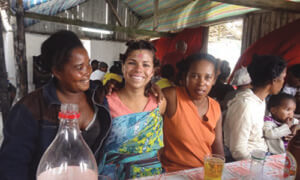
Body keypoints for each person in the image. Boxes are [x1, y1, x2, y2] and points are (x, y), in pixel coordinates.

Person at [0, 30, 112, 180]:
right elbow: (12, 167)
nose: (88, 72)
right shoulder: (29, 109)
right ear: (57, 71)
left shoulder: (97, 97)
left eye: (88, 64)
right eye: (79, 67)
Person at [99, 40, 166, 179]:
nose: (138, 69)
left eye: (146, 65)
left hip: (152, 175)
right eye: (132, 63)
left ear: (153, 71)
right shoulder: (107, 102)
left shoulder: (160, 102)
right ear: (123, 67)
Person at [160, 53, 224, 172]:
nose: (201, 83)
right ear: (186, 77)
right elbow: (143, 105)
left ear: (214, 80)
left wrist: (220, 171)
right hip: (174, 172)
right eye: (195, 76)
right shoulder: (172, 96)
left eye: (207, 77)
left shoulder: (215, 107)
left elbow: (218, 144)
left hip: (205, 172)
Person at [224, 55, 287, 161]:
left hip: (261, 154)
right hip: (249, 160)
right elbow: (238, 150)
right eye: (283, 77)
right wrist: (260, 165)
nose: (284, 82)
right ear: (274, 80)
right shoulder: (245, 105)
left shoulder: (259, 101)